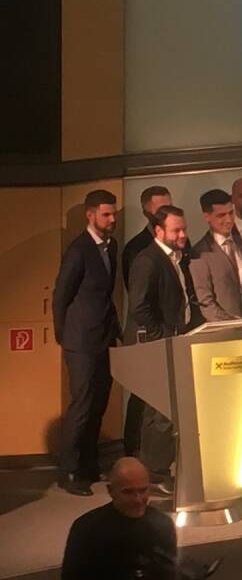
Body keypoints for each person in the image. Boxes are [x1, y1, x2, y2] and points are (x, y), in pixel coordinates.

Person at [53, 189, 119, 496]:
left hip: (103, 336)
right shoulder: (78, 250)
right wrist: (64, 334)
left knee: (99, 403)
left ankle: (90, 463)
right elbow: (61, 295)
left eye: (113, 213)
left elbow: (105, 293)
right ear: (90, 215)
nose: (112, 219)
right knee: (81, 405)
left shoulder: (111, 245)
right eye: (106, 214)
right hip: (80, 340)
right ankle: (69, 470)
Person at [127, 205, 195, 492]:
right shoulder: (148, 260)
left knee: (165, 411)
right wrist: (162, 337)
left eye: (184, 229)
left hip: (174, 340)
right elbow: (139, 307)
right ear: (158, 231)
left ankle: (157, 469)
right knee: (160, 412)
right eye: (176, 230)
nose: (182, 235)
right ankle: (154, 473)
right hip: (158, 346)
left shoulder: (175, 257)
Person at [61, 457, 177, 579]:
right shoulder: (86, 529)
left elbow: (169, 574)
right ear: (111, 491)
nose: (138, 500)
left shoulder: (163, 525)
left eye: (143, 490)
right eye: (128, 492)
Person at [189, 189, 242, 322]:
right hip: (223, 328)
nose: (228, 220)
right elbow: (206, 302)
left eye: (231, 213)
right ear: (207, 217)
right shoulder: (200, 253)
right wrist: (231, 323)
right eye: (221, 215)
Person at [122, 186, 171, 288]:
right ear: (146, 213)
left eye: (170, 208)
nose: (168, 214)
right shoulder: (135, 249)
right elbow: (137, 291)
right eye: (161, 210)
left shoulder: (181, 240)